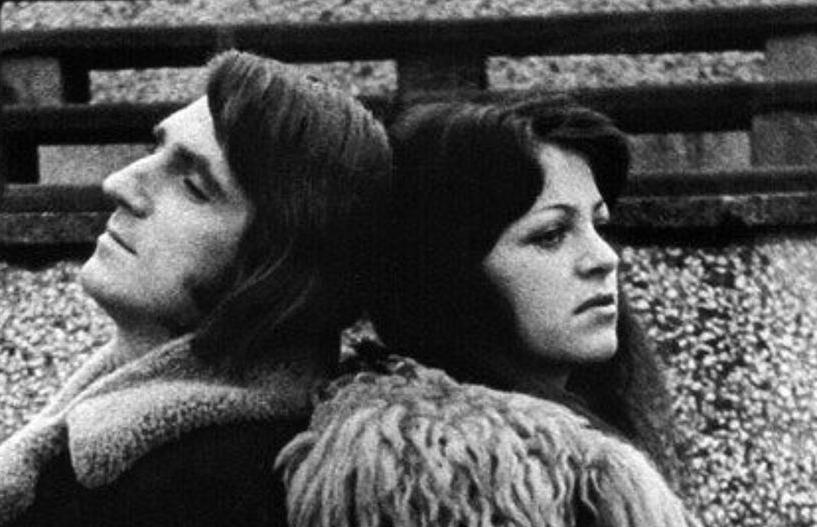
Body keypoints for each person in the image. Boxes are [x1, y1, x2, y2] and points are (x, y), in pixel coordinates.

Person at [0, 50, 391, 527]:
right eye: (154, 150)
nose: (119, 183)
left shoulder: (204, 494)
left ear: (277, 265)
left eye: (193, 186)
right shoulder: (121, 456)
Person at [278, 99, 694, 527]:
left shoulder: (580, 456)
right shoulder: (449, 485)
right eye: (551, 234)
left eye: (598, 225)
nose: (605, 258)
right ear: (449, 272)